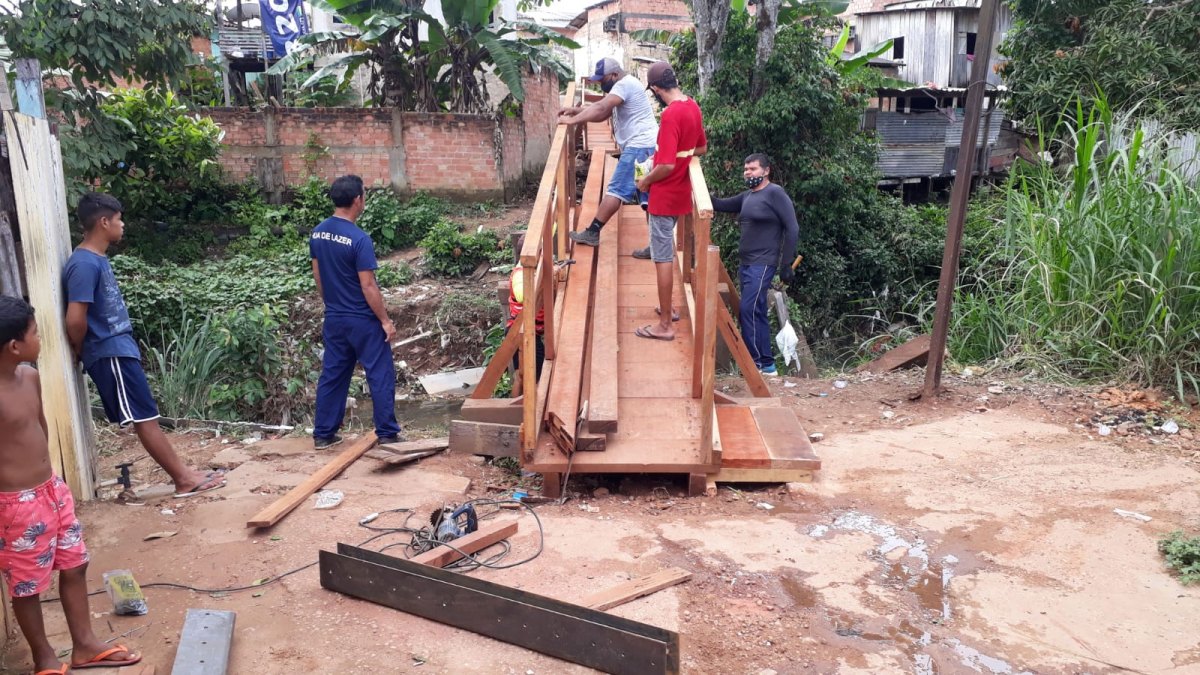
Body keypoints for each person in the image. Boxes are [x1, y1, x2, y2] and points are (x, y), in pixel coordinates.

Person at [0, 296, 143, 674]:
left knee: (75, 563)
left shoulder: (30, 377)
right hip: (14, 506)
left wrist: (53, 483)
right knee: (27, 586)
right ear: (15, 345)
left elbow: (39, 428)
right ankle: (44, 657)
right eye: (36, 333)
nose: (41, 339)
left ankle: (84, 645)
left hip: (51, 491)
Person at [64, 193, 225, 498]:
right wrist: (80, 347)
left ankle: (185, 474)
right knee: (144, 417)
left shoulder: (95, 259)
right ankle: (183, 479)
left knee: (146, 413)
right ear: (103, 222)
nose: (122, 225)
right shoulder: (84, 264)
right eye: (119, 219)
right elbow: (75, 319)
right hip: (109, 350)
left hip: (117, 348)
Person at [310, 175, 402, 449]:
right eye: (364, 195)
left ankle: (323, 434)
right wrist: (385, 320)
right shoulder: (359, 239)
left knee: (333, 374)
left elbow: (318, 277)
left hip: (335, 317)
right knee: (380, 372)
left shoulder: (317, 232)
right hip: (362, 320)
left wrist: (333, 305)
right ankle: (387, 432)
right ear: (356, 200)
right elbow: (368, 285)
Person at [633, 61, 707, 342]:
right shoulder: (692, 106)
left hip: (663, 196)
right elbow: (700, 147)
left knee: (662, 258)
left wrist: (645, 181)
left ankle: (665, 324)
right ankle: (668, 307)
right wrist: (680, 157)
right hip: (681, 193)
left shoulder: (670, 115)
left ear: (655, 88)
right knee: (670, 255)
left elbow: (663, 166)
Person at [560, 57, 660, 254]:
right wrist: (575, 111)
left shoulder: (624, 84)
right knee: (648, 199)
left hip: (639, 147)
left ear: (614, 75)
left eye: (602, 79)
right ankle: (656, 247)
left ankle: (593, 232)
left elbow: (601, 108)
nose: (599, 84)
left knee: (616, 190)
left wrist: (571, 122)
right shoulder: (625, 86)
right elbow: (602, 113)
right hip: (647, 146)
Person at [711, 153, 799, 375]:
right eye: (746, 169)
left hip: (764, 263)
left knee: (748, 309)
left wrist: (786, 264)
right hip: (747, 263)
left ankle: (755, 364)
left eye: (753, 169)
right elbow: (720, 204)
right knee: (756, 311)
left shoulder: (775, 193)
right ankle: (767, 365)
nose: (748, 173)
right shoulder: (747, 197)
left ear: (766, 171)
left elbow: (792, 227)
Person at [506, 235, 545, 382]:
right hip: (524, 331)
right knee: (532, 378)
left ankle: (520, 403)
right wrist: (542, 281)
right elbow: (522, 295)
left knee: (521, 376)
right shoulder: (520, 274)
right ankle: (530, 405)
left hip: (525, 330)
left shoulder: (529, 271)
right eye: (540, 252)